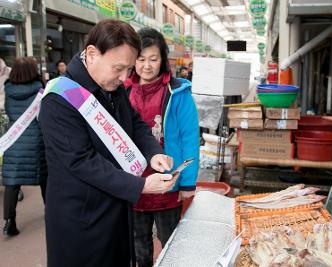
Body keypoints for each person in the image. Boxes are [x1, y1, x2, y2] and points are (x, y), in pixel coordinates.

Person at [38, 19, 178, 267]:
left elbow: (134, 124)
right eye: (118, 68)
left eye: (128, 69)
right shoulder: (60, 98)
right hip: (82, 220)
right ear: (92, 54)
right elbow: (82, 161)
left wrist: (153, 152)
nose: (124, 78)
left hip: (114, 209)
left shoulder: (112, 87)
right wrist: (141, 186)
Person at [124, 27, 199, 267]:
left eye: (153, 59)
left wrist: (187, 182)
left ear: (163, 60)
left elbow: (189, 138)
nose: (147, 65)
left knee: (170, 243)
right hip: (134, 183)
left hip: (169, 182)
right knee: (138, 246)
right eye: (141, 58)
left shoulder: (178, 92)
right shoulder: (121, 91)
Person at [2, 57, 47, 236]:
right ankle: (50, 213)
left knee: (12, 183)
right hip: (37, 141)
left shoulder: (8, 89)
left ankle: (9, 222)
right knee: (46, 179)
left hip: (14, 141)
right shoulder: (40, 89)